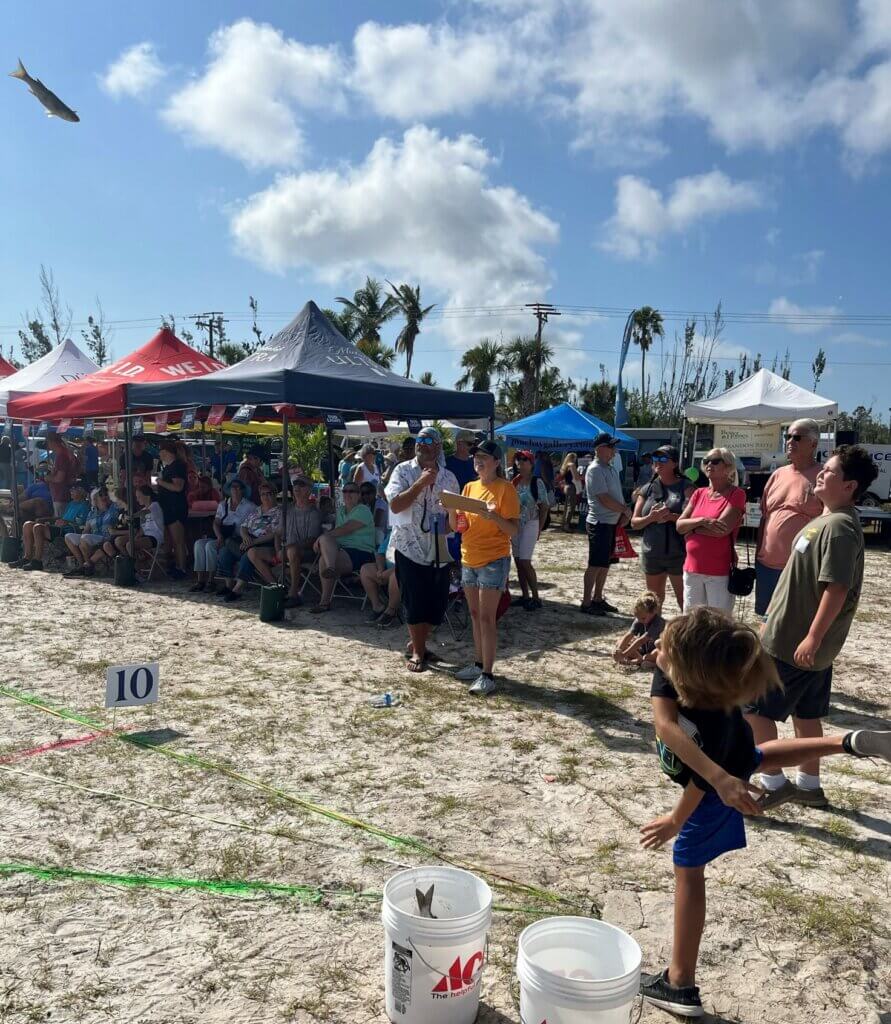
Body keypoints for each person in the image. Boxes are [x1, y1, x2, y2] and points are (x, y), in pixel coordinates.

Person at [639, 607, 891, 1018]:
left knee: (688, 870)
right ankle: (845, 742)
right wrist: (661, 655)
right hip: (728, 759)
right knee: (754, 757)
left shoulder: (710, 725)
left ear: (688, 671)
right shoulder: (684, 675)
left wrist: (677, 818)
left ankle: (679, 983)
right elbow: (668, 697)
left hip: (709, 783)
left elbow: (696, 778)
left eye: (668, 643)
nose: (660, 644)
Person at [745, 444, 878, 810]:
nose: (821, 473)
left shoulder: (839, 527)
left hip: (795, 645)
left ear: (849, 485)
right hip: (793, 638)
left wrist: (813, 637)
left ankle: (774, 781)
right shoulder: (826, 519)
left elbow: (836, 588)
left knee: (755, 711)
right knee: (807, 715)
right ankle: (809, 785)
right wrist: (770, 617)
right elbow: (798, 579)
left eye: (830, 471)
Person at [448, 439, 519, 695]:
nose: (478, 460)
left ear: (496, 462)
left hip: (493, 559)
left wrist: (494, 516)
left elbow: (513, 529)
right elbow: (459, 526)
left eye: (484, 457)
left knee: (488, 618)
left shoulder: (505, 489)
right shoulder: (468, 487)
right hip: (469, 557)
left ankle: (488, 674)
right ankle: (478, 665)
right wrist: (452, 510)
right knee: (475, 615)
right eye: (476, 456)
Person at [385, 426, 460, 670]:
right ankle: (418, 652)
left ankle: (418, 642)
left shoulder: (449, 478)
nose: (422, 444)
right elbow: (395, 505)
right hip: (409, 546)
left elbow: (454, 519)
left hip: (438, 548)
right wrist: (419, 483)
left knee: (437, 605)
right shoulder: (403, 471)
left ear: (438, 446)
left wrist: (454, 521)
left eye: (428, 440)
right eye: (419, 440)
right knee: (415, 601)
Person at [754, 418, 823, 616]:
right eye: (788, 436)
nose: (790, 441)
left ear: (814, 444)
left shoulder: (824, 476)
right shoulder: (777, 474)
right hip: (767, 566)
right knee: (765, 621)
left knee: (794, 624)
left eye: (797, 437)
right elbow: (765, 517)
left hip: (800, 569)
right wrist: (759, 555)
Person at [676, 448, 745, 613]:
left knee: (718, 622)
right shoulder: (699, 493)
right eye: (706, 461)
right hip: (692, 568)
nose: (709, 465)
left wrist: (691, 529)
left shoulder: (737, 494)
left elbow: (721, 529)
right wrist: (702, 521)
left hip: (718, 571)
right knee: (692, 620)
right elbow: (679, 526)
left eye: (715, 461)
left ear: (728, 466)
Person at [631, 445, 693, 610]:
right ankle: (652, 634)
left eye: (663, 459)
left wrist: (671, 517)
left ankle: (687, 635)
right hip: (652, 553)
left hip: (678, 553)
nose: (658, 462)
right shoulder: (647, 488)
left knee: (685, 601)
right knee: (653, 601)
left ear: (674, 463)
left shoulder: (686, 487)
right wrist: (651, 518)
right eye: (656, 459)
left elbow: (692, 520)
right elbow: (634, 522)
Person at [581, 433, 632, 615]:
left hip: (610, 522)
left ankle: (597, 598)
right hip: (600, 522)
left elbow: (613, 496)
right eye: (610, 447)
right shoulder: (595, 469)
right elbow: (604, 499)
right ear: (599, 449)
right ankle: (587, 602)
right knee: (595, 563)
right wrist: (624, 510)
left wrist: (623, 512)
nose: (614, 450)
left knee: (605, 563)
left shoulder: (609, 468)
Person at [310, 481, 376, 613]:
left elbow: (345, 529)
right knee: (325, 555)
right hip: (343, 550)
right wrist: (324, 540)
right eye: (345, 491)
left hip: (362, 552)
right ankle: (326, 596)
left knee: (325, 543)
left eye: (351, 491)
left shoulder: (363, 510)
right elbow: (336, 533)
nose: (347, 494)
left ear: (358, 495)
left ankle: (325, 600)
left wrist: (322, 539)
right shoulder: (340, 511)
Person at [221, 482, 282, 602]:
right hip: (250, 540)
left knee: (247, 554)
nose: (265, 497)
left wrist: (253, 542)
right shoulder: (257, 510)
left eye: (269, 494)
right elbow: (244, 526)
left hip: (265, 543)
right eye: (263, 494)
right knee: (226, 548)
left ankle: (237, 589)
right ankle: (228, 585)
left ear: (275, 494)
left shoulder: (280, 512)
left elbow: (275, 534)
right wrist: (245, 537)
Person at [14, 480, 90, 571]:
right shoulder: (71, 504)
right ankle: (27, 557)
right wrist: (47, 519)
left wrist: (66, 522)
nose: (71, 491)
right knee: (27, 525)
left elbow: (81, 524)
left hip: (67, 530)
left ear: (81, 491)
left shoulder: (85, 506)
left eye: (74, 489)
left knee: (38, 527)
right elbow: (61, 517)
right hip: (59, 527)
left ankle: (37, 561)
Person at [510, 450, 549, 610]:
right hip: (515, 525)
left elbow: (544, 506)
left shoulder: (536, 482)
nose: (520, 463)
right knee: (519, 561)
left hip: (531, 524)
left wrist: (539, 527)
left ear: (532, 463)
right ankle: (525, 596)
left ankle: (536, 597)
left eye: (524, 460)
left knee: (525, 561)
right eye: (518, 460)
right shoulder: (514, 482)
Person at [207, 480, 257, 595]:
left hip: (242, 539)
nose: (235, 489)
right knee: (218, 548)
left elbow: (253, 526)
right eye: (233, 487)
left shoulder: (250, 506)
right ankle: (227, 585)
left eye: (238, 487)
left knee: (220, 546)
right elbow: (216, 522)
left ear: (243, 490)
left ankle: (213, 581)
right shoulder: (223, 505)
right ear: (229, 490)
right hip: (225, 537)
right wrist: (219, 536)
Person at [281, 476, 322, 608]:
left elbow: (312, 540)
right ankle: (277, 589)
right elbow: (279, 532)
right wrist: (278, 546)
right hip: (286, 549)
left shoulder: (313, 513)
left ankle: (294, 593)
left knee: (292, 552)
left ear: (309, 491)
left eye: (302, 485)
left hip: (306, 551)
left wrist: (289, 547)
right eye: (295, 485)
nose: (297, 488)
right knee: (254, 553)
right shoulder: (288, 509)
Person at [63, 488, 120, 577]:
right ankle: (82, 564)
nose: (104, 497)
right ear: (95, 500)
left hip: (106, 537)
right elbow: (86, 529)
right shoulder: (92, 513)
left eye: (105, 494)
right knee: (68, 536)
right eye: (100, 495)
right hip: (93, 537)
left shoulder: (112, 509)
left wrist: (105, 507)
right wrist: (81, 536)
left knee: (84, 538)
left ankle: (88, 567)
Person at [155, 440, 189, 579]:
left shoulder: (178, 466)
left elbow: (178, 487)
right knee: (171, 540)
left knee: (178, 540)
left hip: (176, 507)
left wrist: (160, 482)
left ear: (166, 452)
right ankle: (174, 565)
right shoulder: (168, 467)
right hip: (167, 506)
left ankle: (182, 568)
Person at [104, 484, 164, 561]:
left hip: (155, 537)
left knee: (130, 545)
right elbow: (142, 529)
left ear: (147, 496)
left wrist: (132, 516)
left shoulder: (155, 505)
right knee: (129, 543)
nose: (137, 499)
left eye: (139, 497)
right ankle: (135, 563)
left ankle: (135, 567)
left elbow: (145, 512)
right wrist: (137, 537)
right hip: (145, 536)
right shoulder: (142, 510)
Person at [613, 591, 665, 665]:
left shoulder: (658, 622)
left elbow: (642, 640)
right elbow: (629, 635)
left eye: (643, 618)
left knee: (649, 656)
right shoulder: (640, 619)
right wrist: (619, 650)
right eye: (637, 618)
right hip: (643, 650)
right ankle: (639, 659)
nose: (640, 620)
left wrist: (624, 654)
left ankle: (649, 663)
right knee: (619, 642)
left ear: (653, 612)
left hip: (656, 651)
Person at [45, 432, 76, 517]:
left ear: (52, 442)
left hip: (61, 494)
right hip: (62, 493)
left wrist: (48, 478)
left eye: (48, 442)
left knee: (60, 520)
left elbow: (59, 478)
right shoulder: (65, 453)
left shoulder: (61, 456)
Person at [558, 453, 583, 531]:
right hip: (572, 487)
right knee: (571, 507)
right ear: (573, 458)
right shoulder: (572, 465)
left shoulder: (565, 465)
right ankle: (566, 525)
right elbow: (576, 477)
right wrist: (583, 475)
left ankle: (564, 524)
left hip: (567, 486)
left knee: (566, 507)